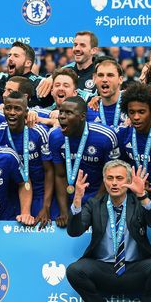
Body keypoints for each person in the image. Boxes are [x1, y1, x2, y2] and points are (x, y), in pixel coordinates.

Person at [66, 161, 151, 302]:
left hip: (134, 269)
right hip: (104, 269)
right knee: (74, 270)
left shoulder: (139, 203)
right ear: (104, 181)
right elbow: (74, 231)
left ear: (128, 181)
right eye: (110, 178)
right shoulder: (94, 204)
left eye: (119, 178)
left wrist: (143, 196)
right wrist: (77, 200)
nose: (114, 183)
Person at [47, 96, 119, 226]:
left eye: (68, 113)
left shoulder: (105, 136)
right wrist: (64, 210)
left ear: (82, 116)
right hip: (70, 196)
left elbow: (111, 175)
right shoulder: (55, 136)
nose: (62, 116)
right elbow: (60, 175)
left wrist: (93, 206)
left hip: (100, 195)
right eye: (61, 112)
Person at [0, 91, 51, 225]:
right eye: (8, 108)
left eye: (17, 109)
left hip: (39, 192)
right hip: (10, 193)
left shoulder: (38, 132)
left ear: (26, 112)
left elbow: (49, 171)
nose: (12, 112)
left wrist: (46, 205)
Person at [5, 41, 53, 108]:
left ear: (28, 63)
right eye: (9, 55)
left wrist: (54, 77)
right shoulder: (0, 79)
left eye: (16, 56)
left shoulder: (40, 83)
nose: (10, 58)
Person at [86, 58, 126, 131]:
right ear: (95, 79)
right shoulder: (89, 111)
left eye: (110, 75)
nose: (104, 79)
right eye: (100, 75)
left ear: (120, 80)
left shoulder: (132, 105)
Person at [64, 31, 98, 96]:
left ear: (93, 50)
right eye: (75, 45)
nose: (77, 48)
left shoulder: (100, 74)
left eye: (82, 45)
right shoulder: (65, 71)